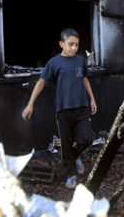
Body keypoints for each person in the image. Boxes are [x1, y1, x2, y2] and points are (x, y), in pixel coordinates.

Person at [22, 28, 97, 189]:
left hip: (82, 106)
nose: (74, 48)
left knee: (88, 138)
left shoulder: (80, 61)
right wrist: (30, 104)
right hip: (63, 109)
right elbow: (41, 82)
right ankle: (71, 174)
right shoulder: (54, 63)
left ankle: (75, 156)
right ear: (61, 44)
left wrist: (92, 99)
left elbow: (85, 79)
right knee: (66, 143)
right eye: (70, 44)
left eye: (76, 45)